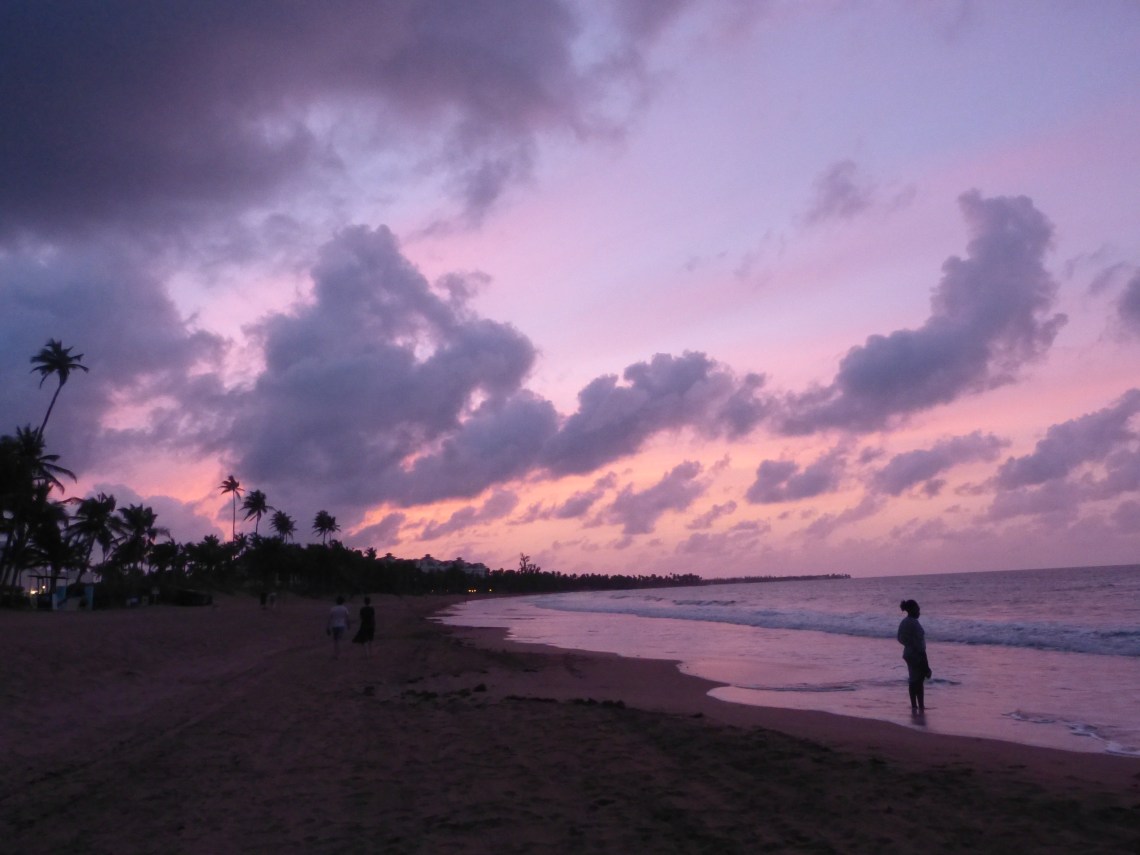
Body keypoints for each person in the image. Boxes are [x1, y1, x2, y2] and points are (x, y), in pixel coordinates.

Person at [897, 599, 931, 713]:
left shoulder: (904, 622)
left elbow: (900, 638)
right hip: (917, 654)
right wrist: (926, 665)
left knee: (913, 679)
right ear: (912, 610)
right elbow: (920, 646)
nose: (919, 611)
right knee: (919, 680)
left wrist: (909, 644)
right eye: (918, 609)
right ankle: (920, 706)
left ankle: (914, 705)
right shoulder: (914, 623)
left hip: (908, 653)